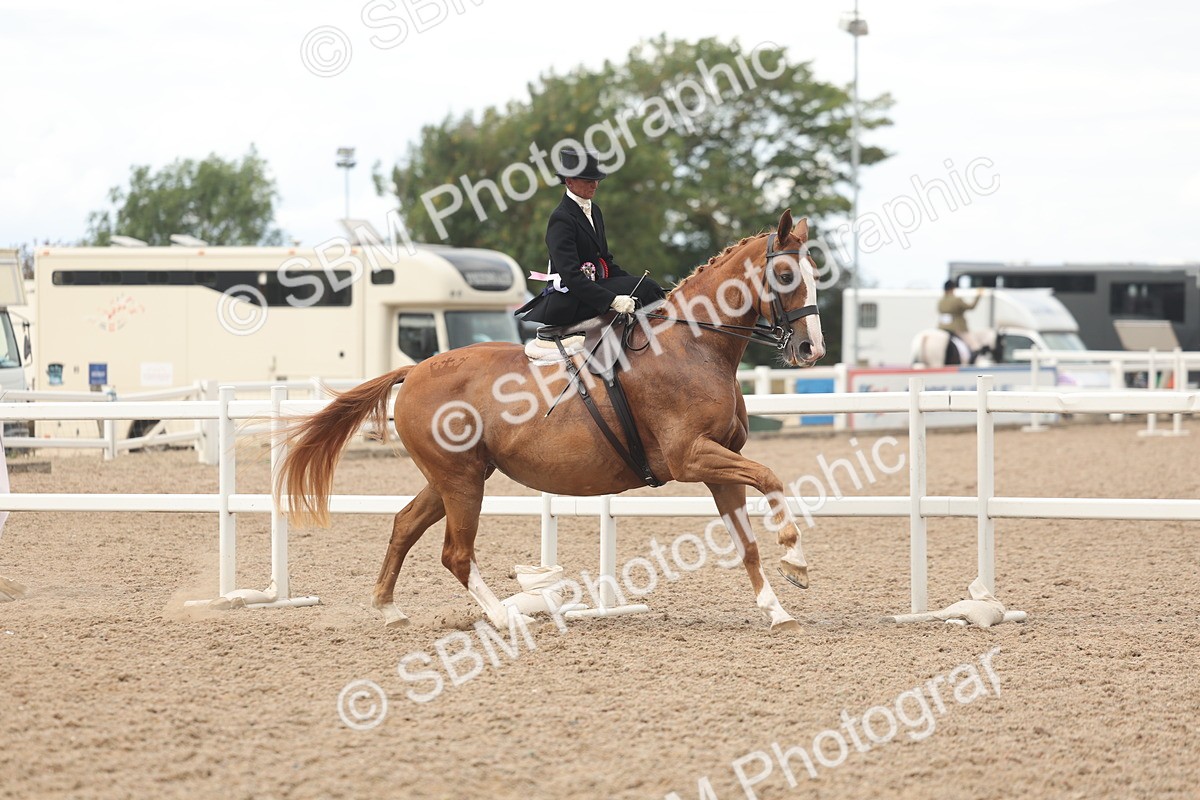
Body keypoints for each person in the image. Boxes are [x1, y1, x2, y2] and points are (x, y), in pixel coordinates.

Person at [515, 149, 664, 332]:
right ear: (569, 182)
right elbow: (571, 276)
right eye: (588, 181)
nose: (595, 185)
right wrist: (612, 300)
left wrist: (637, 282)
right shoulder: (561, 218)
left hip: (592, 288)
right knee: (647, 289)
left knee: (649, 287)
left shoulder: (595, 211)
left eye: (596, 180)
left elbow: (605, 262)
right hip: (570, 297)